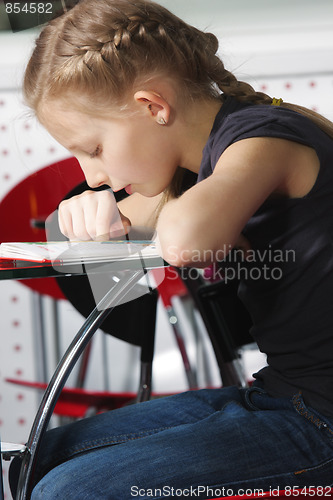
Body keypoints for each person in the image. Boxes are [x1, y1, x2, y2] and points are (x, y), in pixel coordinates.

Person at [10, 0, 333, 498]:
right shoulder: (195, 168)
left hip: (323, 417)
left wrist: (138, 209)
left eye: (93, 149)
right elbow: (71, 223)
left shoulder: (265, 140)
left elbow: (184, 240)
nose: (92, 175)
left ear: (152, 106)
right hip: (280, 393)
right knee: (37, 461)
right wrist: (85, 214)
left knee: (70, 491)